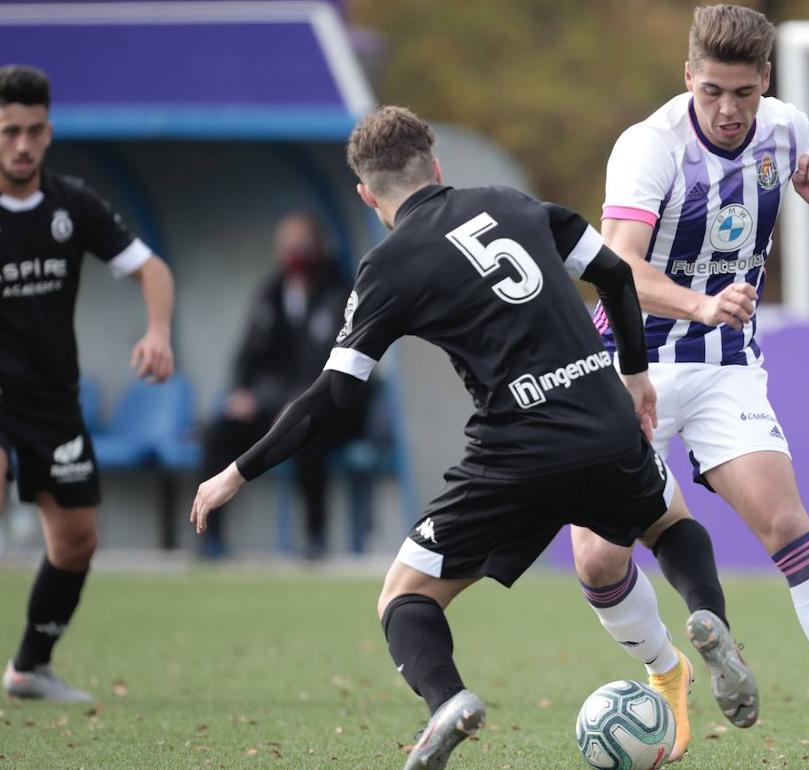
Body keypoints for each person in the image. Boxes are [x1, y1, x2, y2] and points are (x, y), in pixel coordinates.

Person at [190, 106, 692, 770]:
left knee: (403, 596)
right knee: (661, 525)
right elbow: (617, 276)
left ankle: (447, 699)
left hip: (511, 451)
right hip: (597, 424)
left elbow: (333, 396)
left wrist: (236, 471)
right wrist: (634, 376)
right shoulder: (511, 202)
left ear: (368, 197)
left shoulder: (387, 264)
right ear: (435, 167)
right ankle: (700, 621)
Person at [571, 5, 809, 768]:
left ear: (766, 85)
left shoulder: (785, 128)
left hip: (725, 365)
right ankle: (669, 674)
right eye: (711, 90)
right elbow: (615, 269)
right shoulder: (649, 147)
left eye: (742, 94)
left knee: (786, 521)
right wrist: (700, 303)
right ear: (688, 77)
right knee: (595, 561)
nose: (726, 110)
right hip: (629, 365)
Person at [0, 65, 175, 701]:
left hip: (51, 400)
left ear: (49, 133)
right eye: (9, 131)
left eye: (34, 131)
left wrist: (157, 332)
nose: (22, 144)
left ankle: (28, 668)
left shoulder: (73, 205)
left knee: (76, 541)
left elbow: (152, 270)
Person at [198, 211, 367, 559]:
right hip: (271, 404)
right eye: (288, 244)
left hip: (329, 406)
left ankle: (314, 538)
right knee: (221, 431)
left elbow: (333, 365)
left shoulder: (339, 293)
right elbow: (247, 355)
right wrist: (242, 393)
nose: (295, 251)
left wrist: (295, 403)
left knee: (307, 434)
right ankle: (210, 539)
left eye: (302, 243)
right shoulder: (271, 293)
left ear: (319, 247)